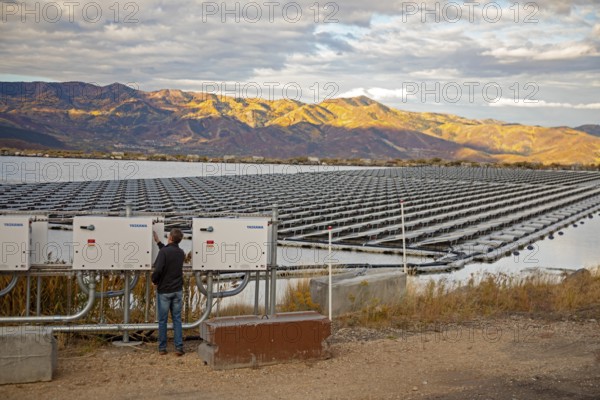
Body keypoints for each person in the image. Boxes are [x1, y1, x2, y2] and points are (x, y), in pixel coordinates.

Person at [152, 229, 185, 356]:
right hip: (177, 291)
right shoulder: (181, 253)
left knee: (162, 320)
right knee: (177, 319)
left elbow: (158, 269)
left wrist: (154, 280)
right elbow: (169, 252)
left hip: (164, 291)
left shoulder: (164, 252)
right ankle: (179, 347)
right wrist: (158, 242)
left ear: (170, 237)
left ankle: (162, 348)